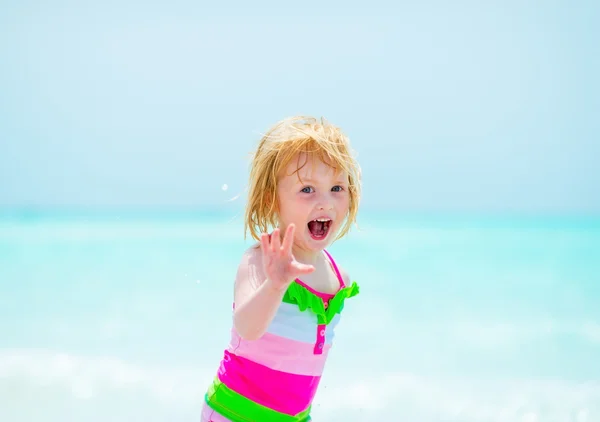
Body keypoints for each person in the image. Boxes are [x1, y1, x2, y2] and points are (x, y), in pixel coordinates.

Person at [201, 116, 362, 421]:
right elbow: (248, 329)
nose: (325, 202)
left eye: (337, 187)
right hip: (235, 412)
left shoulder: (338, 278)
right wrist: (275, 285)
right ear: (271, 199)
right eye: (307, 190)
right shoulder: (260, 260)